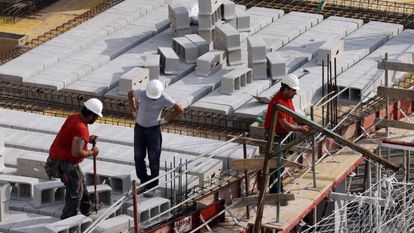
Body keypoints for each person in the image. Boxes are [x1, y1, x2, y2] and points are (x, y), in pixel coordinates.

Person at [45, 98, 103, 219]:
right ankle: (68, 220)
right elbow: (76, 152)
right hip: (63, 163)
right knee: (75, 193)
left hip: (59, 158)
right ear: (91, 115)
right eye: (96, 117)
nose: (96, 119)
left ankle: (86, 207)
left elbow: (71, 138)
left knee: (80, 181)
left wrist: (88, 139)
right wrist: (92, 152)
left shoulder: (74, 117)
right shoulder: (81, 128)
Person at [128, 79, 183, 197]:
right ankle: (143, 182)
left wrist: (166, 120)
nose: (153, 99)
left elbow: (179, 108)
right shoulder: (142, 93)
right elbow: (130, 94)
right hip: (139, 129)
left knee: (153, 160)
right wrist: (133, 110)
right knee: (138, 157)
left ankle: (152, 186)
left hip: (153, 131)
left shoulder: (164, 98)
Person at [264, 74, 310, 193]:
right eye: (293, 91)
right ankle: (275, 191)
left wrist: (303, 123)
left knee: (281, 162)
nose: (295, 93)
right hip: (275, 136)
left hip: (283, 135)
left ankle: (279, 188)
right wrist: (300, 129)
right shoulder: (278, 102)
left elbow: (292, 116)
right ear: (286, 88)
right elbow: (284, 124)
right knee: (276, 163)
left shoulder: (287, 99)